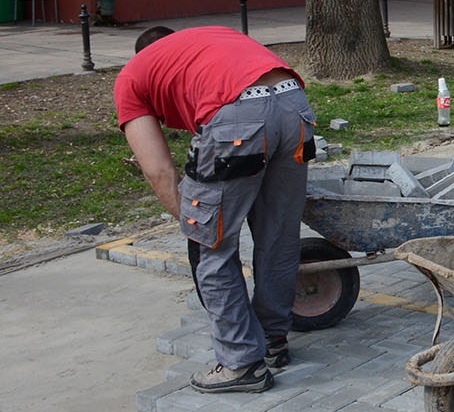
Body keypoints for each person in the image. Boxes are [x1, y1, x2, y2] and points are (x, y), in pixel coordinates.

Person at [114, 26, 317, 393]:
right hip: (295, 104)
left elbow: (158, 169)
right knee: (279, 237)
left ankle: (241, 363)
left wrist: (196, 222)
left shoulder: (131, 76)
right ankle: (272, 340)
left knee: (211, 246)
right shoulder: (209, 41)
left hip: (240, 114)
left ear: (141, 54)